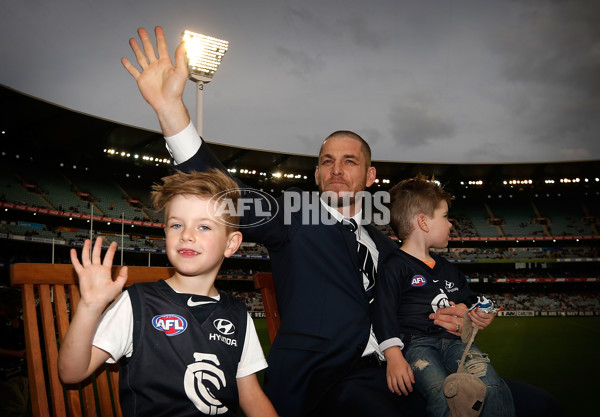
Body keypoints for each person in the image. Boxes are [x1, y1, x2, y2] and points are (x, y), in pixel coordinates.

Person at [121, 26, 563, 417]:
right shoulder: (294, 217)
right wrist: (170, 109)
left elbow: (412, 305)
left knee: (542, 404)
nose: (336, 169)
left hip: (402, 368)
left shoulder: (389, 247)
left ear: (370, 177)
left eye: (349, 161)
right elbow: (223, 191)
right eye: (326, 161)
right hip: (328, 379)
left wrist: (454, 315)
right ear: (315, 175)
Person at [57, 169, 278, 417]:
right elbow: (71, 373)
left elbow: (250, 395)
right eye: (176, 225)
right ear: (165, 234)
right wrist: (90, 306)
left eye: (204, 227)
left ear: (231, 244)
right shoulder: (137, 302)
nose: (186, 235)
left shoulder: (237, 313)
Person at [373, 175, 514, 417]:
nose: (451, 224)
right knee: (443, 394)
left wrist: (483, 314)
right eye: (445, 216)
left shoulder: (448, 268)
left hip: (455, 343)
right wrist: (394, 356)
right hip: (417, 347)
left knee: (489, 385)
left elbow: (472, 301)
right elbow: (382, 313)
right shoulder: (394, 266)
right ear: (423, 223)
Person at [0, 287, 31, 417]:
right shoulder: (1, 323)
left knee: (23, 406)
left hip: (23, 371)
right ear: (4, 305)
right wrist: (17, 354)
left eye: (18, 305)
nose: (17, 308)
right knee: (17, 409)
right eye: (13, 305)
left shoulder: (23, 323)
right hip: (6, 373)